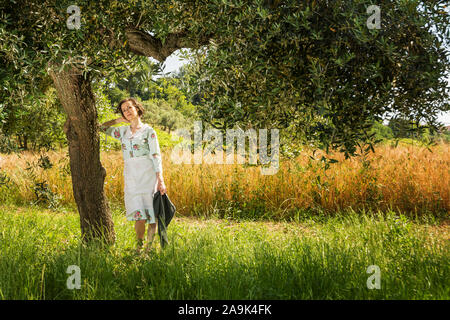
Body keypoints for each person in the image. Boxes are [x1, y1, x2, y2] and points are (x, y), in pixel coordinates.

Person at [100, 98, 167, 254]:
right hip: (131, 176)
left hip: (148, 175)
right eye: (124, 110)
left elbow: (156, 155)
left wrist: (160, 180)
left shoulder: (149, 131)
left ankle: (148, 249)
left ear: (137, 108)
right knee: (138, 213)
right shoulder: (123, 131)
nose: (127, 111)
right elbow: (100, 127)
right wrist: (118, 120)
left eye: (129, 108)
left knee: (151, 212)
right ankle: (139, 246)